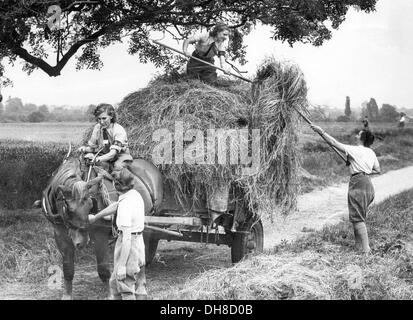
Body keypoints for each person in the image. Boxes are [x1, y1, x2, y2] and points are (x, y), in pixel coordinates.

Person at [311, 125, 381, 255]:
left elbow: (333, 142)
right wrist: (360, 166)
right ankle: (358, 246)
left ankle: (366, 251)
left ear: (361, 138)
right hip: (367, 184)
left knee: (358, 218)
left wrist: (321, 131)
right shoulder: (371, 152)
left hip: (358, 184)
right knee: (357, 217)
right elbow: (378, 170)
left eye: (358, 134)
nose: (356, 136)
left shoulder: (354, 149)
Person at [88, 168, 147, 300]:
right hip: (137, 241)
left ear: (116, 185)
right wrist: (96, 217)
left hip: (129, 245)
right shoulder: (134, 195)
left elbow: (126, 239)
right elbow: (117, 205)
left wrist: (122, 266)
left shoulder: (125, 207)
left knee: (125, 285)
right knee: (114, 283)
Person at [78, 103, 133, 173]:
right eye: (99, 119)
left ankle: (119, 183)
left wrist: (97, 159)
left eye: (104, 118)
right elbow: (93, 148)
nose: (101, 122)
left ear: (111, 116)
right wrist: (85, 149)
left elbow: (113, 153)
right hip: (104, 156)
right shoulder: (97, 128)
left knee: (117, 167)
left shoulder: (118, 130)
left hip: (120, 157)